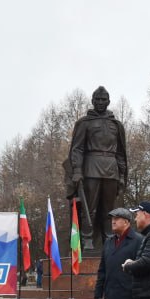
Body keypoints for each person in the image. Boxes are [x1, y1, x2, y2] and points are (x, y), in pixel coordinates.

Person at [65, 87, 129, 252]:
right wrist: (78, 170)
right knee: (89, 207)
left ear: (108, 101)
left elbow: (121, 153)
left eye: (103, 99)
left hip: (111, 169)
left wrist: (122, 175)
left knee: (109, 209)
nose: (100, 102)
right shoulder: (84, 123)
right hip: (91, 168)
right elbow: (77, 149)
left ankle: (109, 237)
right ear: (93, 101)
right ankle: (87, 239)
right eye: (97, 99)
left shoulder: (116, 125)